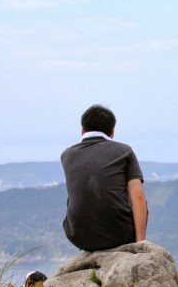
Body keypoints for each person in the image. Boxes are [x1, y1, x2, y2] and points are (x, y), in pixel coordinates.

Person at [61, 104, 148, 251]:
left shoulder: (67, 155)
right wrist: (140, 245)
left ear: (82, 129)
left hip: (78, 236)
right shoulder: (124, 151)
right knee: (138, 200)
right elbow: (137, 197)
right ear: (112, 132)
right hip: (119, 235)